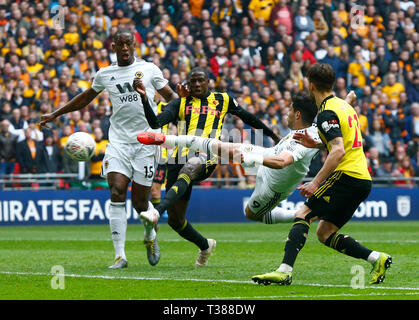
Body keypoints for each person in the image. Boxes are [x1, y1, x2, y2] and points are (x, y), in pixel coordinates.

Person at [39, 28, 180, 269]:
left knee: (140, 204)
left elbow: (171, 98)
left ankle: (150, 236)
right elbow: (85, 98)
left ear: (135, 45)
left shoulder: (150, 69)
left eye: (129, 44)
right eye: (120, 44)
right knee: (116, 191)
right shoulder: (105, 74)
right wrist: (56, 113)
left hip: (147, 142)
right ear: (113, 47)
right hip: (119, 142)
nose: (125, 48)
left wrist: (181, 119)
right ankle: (119, 256)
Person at [252, 63, 392, 286]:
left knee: (303, 214)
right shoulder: (344, 107)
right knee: (325, 233)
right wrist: (317, 144)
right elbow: (344, 142)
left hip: (347, 175)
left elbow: (338, 150)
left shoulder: (327, 112)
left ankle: (284, 270)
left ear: (312, 85)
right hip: (363, 178)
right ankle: (377, 258)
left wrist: (316, 183)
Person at [134, 67, 280, 267]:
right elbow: (155, 122)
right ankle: (205, 245)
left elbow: (248, 118)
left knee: (192, 165)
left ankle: (156, 212)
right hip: (178, 159)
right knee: (176, 222)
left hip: (207, 154)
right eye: (192, 81)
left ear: (208, 82)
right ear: (188, 84)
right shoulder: (179, 103)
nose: (196, 85)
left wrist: (273, 136)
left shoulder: (223, 99)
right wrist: (143, 99)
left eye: (200, 80)